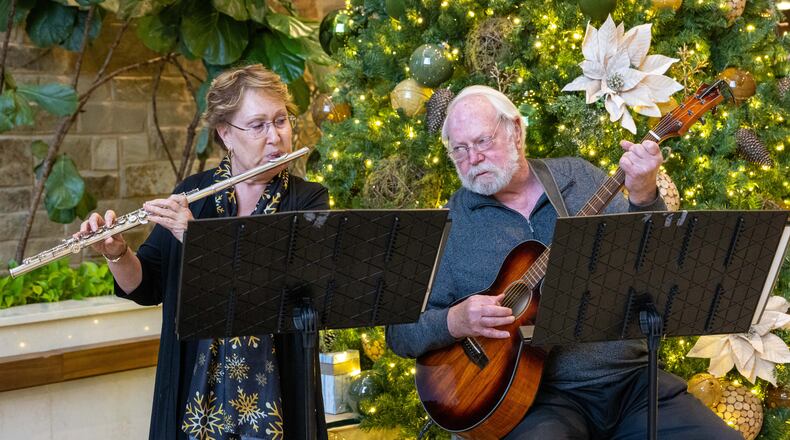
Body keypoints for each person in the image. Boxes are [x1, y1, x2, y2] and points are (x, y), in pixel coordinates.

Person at [386, 85, 741, 439]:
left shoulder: (578, 178)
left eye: (482, 142)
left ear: (516, 131)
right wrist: (454, 320)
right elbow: (400, 332)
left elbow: (651, 259)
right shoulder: (453, 223)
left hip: (632, 381)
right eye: (459, 150)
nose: (472, 158)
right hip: (537, 401)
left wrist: (645, 195)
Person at [79, 64, 329, 439]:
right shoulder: (194, 193)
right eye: (258, 125)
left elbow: (288, 291)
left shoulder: (307, 200)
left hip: (281, 391)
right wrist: (117, 254)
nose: (276, 136)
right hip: (191, 391)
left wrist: (198, 238)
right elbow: (147, 285)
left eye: (281, 120)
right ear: (226, 134)